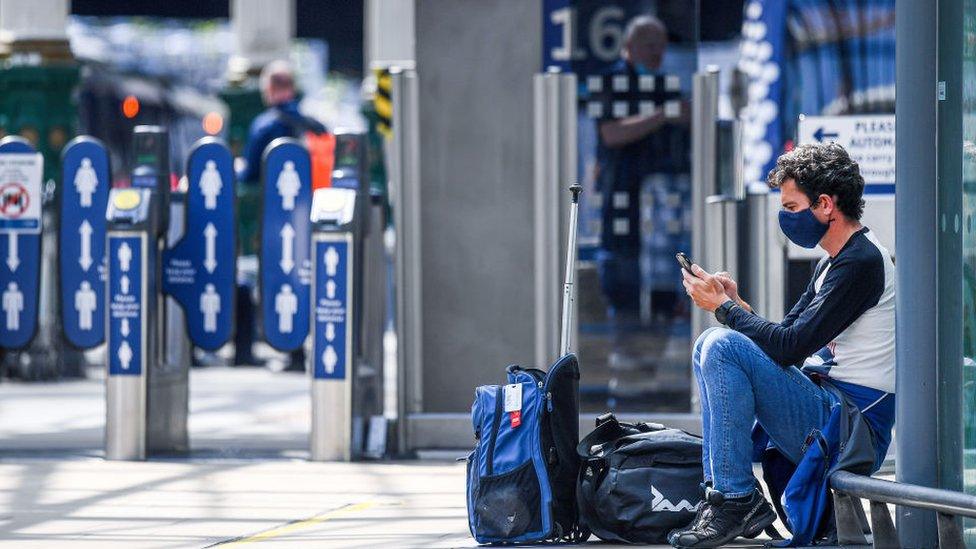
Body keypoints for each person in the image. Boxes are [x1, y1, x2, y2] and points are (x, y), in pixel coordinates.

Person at [672, 143, 895, 548]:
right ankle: (725, 495)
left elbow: (789, 347)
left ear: (825, 205)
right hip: (828, 406)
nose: (784, 218)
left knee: (721, 344)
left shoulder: (861, 262)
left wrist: (724, 310)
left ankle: (735, 499)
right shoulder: (832, 261)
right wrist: (736, 305)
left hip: (852, 425)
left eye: (791, 208)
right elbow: (787, 337)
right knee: (715, 342)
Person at [235, 60, 326, 369]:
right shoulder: (314, 125)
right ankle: (299, 349)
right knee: (301, 278)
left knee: (269, 279)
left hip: (272, 221)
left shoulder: (265, 125)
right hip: (312, 216)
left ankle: (271, 347)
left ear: (271, 89)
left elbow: (248, 175)